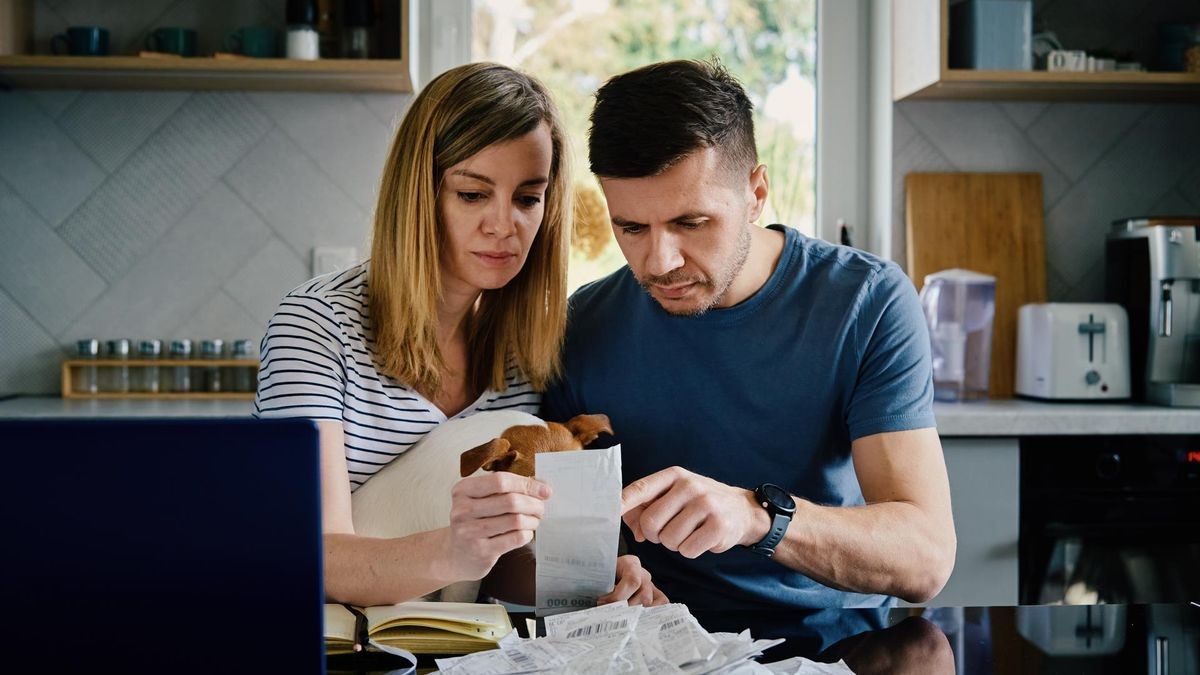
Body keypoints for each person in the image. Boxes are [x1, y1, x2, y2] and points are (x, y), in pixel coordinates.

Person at [543, 59, 956, 609]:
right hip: (656, 643)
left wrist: (759, 517)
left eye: (691, 223)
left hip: (834, 644)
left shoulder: (867, 301)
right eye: (632, 227)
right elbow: (566, 542)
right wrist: (604, 575)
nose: (660, 262)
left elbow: (926, 560)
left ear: (756, 193)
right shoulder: (584, 324)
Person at [254, 62, 663, 608]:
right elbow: (308, 554)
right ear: (419, 194)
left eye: (527, 198)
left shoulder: (522, 353)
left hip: (455, 640)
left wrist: (588, 581)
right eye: (472, 194)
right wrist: (452, 551)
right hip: (330, 638)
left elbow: (492, 568)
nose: (503, 225)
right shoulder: (316, 326)